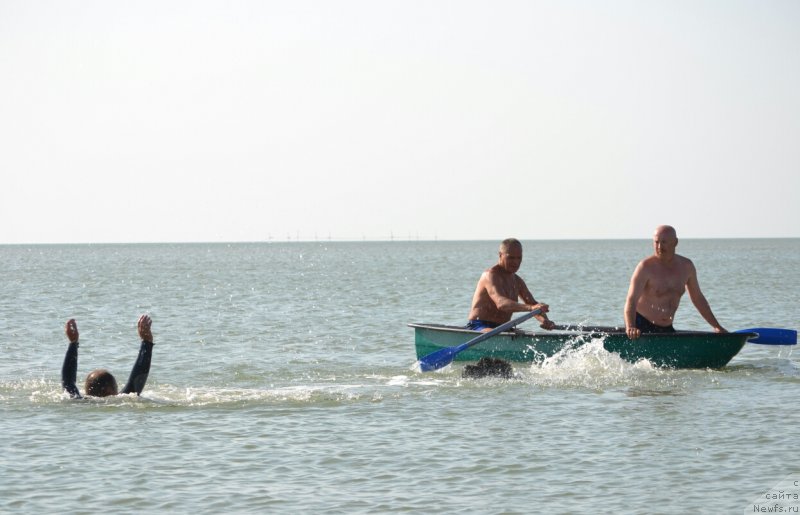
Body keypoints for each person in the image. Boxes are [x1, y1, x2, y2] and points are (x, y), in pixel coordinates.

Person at [624, 225, 727, 339]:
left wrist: (717, 326)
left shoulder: (687, 266)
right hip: (641, 327)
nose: (659, 246)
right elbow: (631, 300)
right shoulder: (645, 267)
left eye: (664, 242)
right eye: (656, 242)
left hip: (667, 328)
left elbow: (698, 299)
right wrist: (630, 327)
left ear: (675, 242)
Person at [467, 238, 555, 331]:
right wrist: (531, 308)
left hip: (503, 327)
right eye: (511, 258)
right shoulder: (490, 275)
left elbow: (532, 304)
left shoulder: (517, 281)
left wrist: (545, 320)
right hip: (479, 326)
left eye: (519, 258)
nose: (516, 262)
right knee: (499, 336)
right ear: (500, 255)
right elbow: (501, 303)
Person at [61, 314, 155, 398]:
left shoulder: (78, 401)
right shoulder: (121, 402)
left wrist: (73, 343)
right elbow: (136, 381)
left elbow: (68, 382)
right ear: (110, 390)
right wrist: (146, 342)